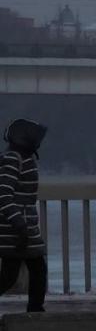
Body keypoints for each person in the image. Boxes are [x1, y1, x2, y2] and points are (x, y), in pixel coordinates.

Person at [0, 118, 48, 313]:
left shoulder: (20, 158)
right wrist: (19, 224)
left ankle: (35, 308)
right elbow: (3, 194)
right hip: (16, 228)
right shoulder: (13, 159)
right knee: (18, 273)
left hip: (23, 227)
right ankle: (35, 309)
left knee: (29, 270)